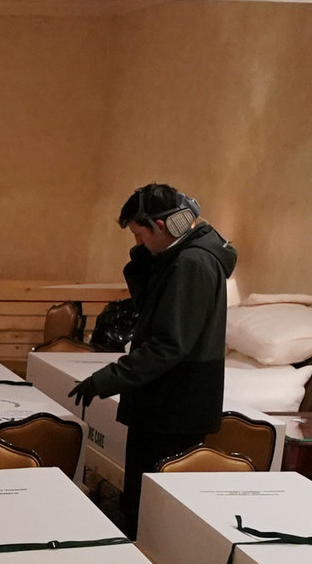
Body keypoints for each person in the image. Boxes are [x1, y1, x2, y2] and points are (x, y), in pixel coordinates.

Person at [71, 184, 236, 536]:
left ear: (162, 226)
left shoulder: (192, 263)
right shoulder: (180, 258)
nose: (139, 242)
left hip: (174, 405)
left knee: (150, 512)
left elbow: (168, 344)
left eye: (139, 234)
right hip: (168, 403)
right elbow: (154, 312)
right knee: (142, 503)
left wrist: (108, 379)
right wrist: (145, 262)